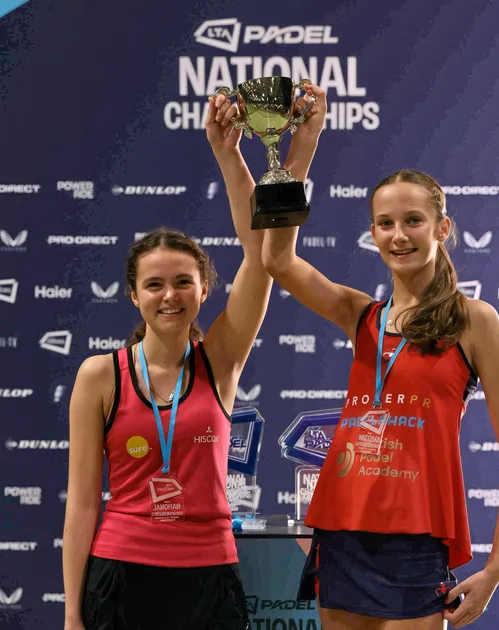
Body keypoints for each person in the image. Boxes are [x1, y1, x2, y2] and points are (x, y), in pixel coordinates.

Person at [60, 85, 324, 630]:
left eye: (184, 282)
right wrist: (70, 614)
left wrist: (239, 154)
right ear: (134, 295)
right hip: (120, 576)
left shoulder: (220, 360)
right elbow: (83, 503)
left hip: (210, 577)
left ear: (205, 288)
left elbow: (263, 253)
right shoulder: (100, 375)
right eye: (153, 284)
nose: (169, 295)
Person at [262, 157, 499, 624]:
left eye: (413, 221)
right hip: (344, 531)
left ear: (442, 227)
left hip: (417, 540)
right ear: (372, 232)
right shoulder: (362, 315)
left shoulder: (474, 320)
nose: (398, 236)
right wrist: (306, 146)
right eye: (385, 224)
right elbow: (277, 260)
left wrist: (496, 569)